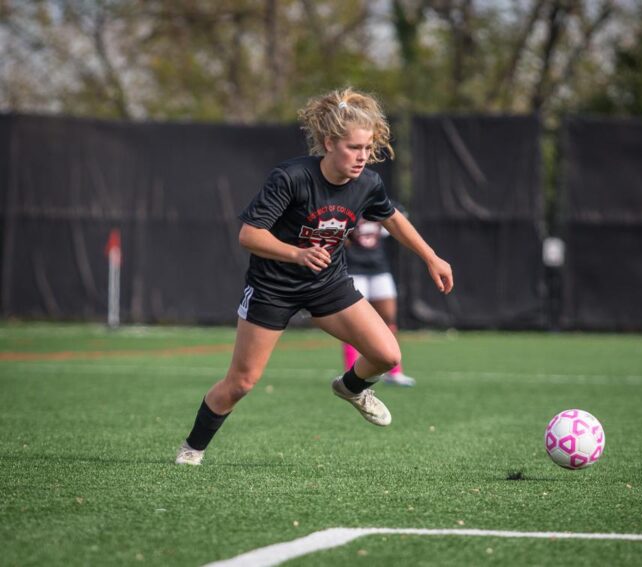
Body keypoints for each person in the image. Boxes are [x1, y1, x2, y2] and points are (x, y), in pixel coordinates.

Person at [175, 87, 453, 465]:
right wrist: (297, 253)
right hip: (273, 288)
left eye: (368, 148)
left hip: (326, 284)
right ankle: (192, 448)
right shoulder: (291, 177)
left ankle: (350, 388)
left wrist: (431, 256)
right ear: (329, 143)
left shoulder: (368, 183)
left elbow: (392, 218)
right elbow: (249, 235)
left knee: (387, 353)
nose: (363, 157)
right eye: (354, 148)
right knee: (241, 383)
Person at [342, 216, 416, 387]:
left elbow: (397, 226)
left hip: (379, 268)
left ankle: (395, 373)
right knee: (353, 323)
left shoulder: (379, 204)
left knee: (388, 318)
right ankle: (350, 372)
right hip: (353, 268)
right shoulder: (348, 205)